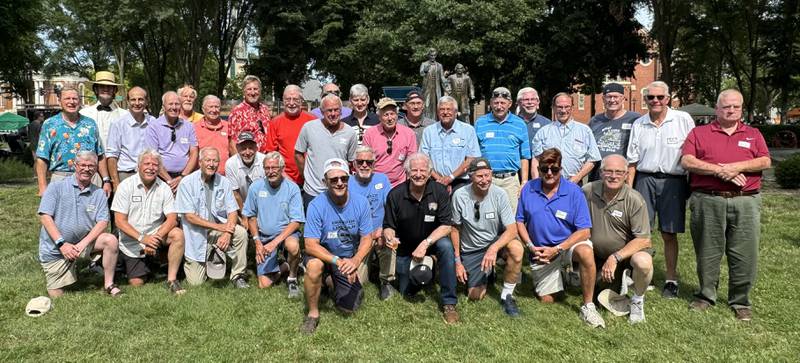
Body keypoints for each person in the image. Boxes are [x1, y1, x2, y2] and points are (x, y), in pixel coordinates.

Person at [681, 89, 770, 321]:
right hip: (708, 200)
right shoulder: (699, 133)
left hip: (745, 201)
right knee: (707, 251)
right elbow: (687, 160)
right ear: (717, 108)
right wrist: (721, 171)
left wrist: (737, 167)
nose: (731, 110)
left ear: (741, 109)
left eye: (736, 107)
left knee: (744, 252)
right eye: (726, 106)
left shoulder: (753, 133)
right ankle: (705, 296)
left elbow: (765, 160)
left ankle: (740, 301)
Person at [516, 148, 605, 328]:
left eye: (554, 169)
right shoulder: (528, 189)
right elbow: (519, 221)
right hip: (540, 251)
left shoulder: (573, 191)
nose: (549, 173)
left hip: (567, 246)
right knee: (547, 300)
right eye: (544, 169)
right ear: (539, 169)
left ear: (560, 168)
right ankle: (565, 276)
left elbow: (585, 231)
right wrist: (531, 246)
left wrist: (557, 249)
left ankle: (588, 305)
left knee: (586, 251)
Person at [626, 81, 695, 299]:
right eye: (651, 97)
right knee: (641, 231)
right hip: (644, 179)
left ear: (668, 98)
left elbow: (694, 153)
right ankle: (642, 275)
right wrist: (628, 190)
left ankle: (671, 279)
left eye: (660, 97)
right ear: (645, 99)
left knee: (669, 232)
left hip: (674, 181)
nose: (655, 101)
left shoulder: (683, 120)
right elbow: (632, 161)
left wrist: (691, 185)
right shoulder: (639, 123)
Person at [383, 153, 459, 324]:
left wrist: (425, 244)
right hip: (406, 249)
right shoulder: (395, 195)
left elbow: (447, 226)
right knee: (407, 291)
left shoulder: (439, 192)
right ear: (407, 173)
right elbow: (388, 226)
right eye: (414, 170)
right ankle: (427, 269)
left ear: (430, 172)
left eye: (423, 170)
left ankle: (449, 303)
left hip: (431, 243)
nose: (418, 174)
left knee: (446, 247)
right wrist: (389, 237)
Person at [300, 158, 374, 334]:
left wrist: (355, 261)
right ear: (324, 182)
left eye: (344, 178)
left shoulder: (361, 202)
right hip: (324, 256)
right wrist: (337, 261)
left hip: (347, 257)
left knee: (349, 308)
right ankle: (313, 314)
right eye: (334, 179)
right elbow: (310, 245)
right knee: (314, 266)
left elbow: (367, 239)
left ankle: (328, 281)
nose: (340, 183)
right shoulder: (316, 205)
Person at [37, 151, 121, 298]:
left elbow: (103, 222)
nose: (87, 169)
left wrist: (82, 244)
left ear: (96, 169)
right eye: (83, 165)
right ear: (75, 166)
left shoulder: (99, 193)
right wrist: (62, 244)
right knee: (57, 295)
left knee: (110, 240)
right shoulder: (56, 187)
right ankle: (74, 270)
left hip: (82, 244)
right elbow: (45, 217)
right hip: (57, 248)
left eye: (91, 166)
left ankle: (109, 284)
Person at [582, 154, 653, 324]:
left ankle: (637, 300)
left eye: (619, 172)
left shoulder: (634, 199)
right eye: (609, 171)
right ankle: (617, 283)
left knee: (643, 262)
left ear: (626, 175)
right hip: (597, 255)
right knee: (600, 295)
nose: (613, 176)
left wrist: (615, 257)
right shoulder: (587, 191)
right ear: (600, 173)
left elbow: (644, 240)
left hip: (625, 255)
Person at [451, 158, 524, 317]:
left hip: (494, 243)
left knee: (517, 249)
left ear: (491, 174)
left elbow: (512, 230)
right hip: (472, 249)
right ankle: (488, 273)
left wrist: (494, 248)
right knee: (474, 296)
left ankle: (507, 296)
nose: (485, 180)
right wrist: (457, 260)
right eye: (479, 176)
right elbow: (455, 229)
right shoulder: (459, 196)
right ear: (471, 176)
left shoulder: (500, 194)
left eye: (487, 175)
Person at [111, 150, 186, 294]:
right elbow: (119, 221)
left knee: (178, 234)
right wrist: (143, 238)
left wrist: (155, 238)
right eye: (147, 164)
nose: (151, 167)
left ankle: (172, 280)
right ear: (138, 166)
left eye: (155, 165)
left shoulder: (164, 188)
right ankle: (126, 265)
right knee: (136, 282)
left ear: (159, 169)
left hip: (155, 236)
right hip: (132, 240)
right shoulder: (125, 186)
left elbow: (172, 218)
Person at [174, 147, 249, 288]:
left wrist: (227, 232)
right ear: (200, 162)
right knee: (196, 282)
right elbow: (190, 217)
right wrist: (220, 227)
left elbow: (232, 211)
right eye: (208, 160)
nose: (211, 164)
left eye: (215, 161)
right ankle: (209, 259)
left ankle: (238, 275)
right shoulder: (186, 183)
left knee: (241, 233)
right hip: (196, 236)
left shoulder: (224, 182)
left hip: (219, 232)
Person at [243, 152, 304, 295]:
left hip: (287, 233)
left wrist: (274, 243)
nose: (271, 172)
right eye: (267, 168)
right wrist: (258, 242)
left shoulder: (292, 188)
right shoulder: (255, 188)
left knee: (293, 246)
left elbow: (296, 222)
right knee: (264, 284)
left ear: (282, 168)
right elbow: (251, 217)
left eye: (274, 167)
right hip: (264, 236)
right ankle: (285, 266)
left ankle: (292, 278)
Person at [35, 88, 110, 197]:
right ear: (59, 101)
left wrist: (106, 180)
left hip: (90, 179)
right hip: (61, 179)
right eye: (67, 98)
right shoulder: (49, 124)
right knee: (62, 213)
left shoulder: (90, 124)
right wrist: (42, 187)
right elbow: (42, 158)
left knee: (92, 213)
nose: (71, 102)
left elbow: (100, 155)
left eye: (75, 98)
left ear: (79, 101)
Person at [295, 93, 359, 208]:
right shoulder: (309, 128)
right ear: (321, 111)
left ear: (341, 111)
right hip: (313, 192)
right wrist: (305, 176)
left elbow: (351, 162)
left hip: (338, 191)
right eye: (329, 110)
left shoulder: (350, 133)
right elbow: (298, 153)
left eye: (336, 110)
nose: (333, 114)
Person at [347, 146, 394, 300]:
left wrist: (384, 228)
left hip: (379, 231)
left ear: (374, 164)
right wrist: (365, 235)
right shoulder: (347, 183)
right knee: (358, 281)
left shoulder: (382, 179)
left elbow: (391, 208)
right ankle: (367, 270)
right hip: (360, 237)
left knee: (389, 241)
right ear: (354, 164)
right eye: (360, 162)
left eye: (369, 162)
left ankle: (386, 281)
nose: (364, 165)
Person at [475, 87, 531, 213]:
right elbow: (474, 154)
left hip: (510, 181)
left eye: (502, 103)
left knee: (512, 218)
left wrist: (524, 181)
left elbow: (524, 156)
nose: (499, 106)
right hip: (487, 180)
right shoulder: (480, 123)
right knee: (487, 217)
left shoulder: (520, 124)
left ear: (509, 104)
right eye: (496, 103)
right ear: (490, 103)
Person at [531, 92, 601, 182]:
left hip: (574, 183)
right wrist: (536, 182)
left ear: (572, 107)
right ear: (553, 108)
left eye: (567, 106)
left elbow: (593, 159)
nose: (563, 111)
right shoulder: (543, 132)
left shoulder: (584, 131)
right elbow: (536, 159)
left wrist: (577, 178)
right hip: (547, 183)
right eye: (560, 107)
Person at [420, 95, 480, 192]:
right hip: (435, 181)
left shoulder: (468, 130)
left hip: (461, 182)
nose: (445, 112)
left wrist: (451, 177)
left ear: (456, 112)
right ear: (438, 112)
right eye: (442, 109)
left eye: (449, 109)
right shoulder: (429, 131)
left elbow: (471, 159)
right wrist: (440, 180)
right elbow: (424, 159)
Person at [145, 91, 199, 194]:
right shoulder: (153, 127)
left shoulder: (189, 126)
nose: (174, 107)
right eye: (170, 104)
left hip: (185, 177)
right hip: (161, 178)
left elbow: (194, 152)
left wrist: (182, 177)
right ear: (164, 106)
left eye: (177, 104)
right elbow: (153, 156)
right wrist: (170, 181)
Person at [265, 85, 317, 185]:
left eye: (296, 99)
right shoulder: (275, 123)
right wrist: (284, 176)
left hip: (311, 179)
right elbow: (271, 155)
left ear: (302, 101)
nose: (291, 103)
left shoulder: (313, 120)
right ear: (283, 101)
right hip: (285, 179)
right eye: (288, 99)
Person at [588, 83, 640, 181]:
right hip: (598, 175)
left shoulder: (635, 119)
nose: (612, 100)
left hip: (622, 176)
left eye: (616, 97)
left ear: (623, 98)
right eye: (609, 97)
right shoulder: (594, 121)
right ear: (603, 99)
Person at [107, 87, 155, 189]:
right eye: (133, 99)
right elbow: (112, 156)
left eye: (141, 99)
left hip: (149, 174)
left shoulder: (153, 122)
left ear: (146, 102)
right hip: (126, 174)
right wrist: (115, 183)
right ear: (128, 101)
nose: (137, 103)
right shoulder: (118, 124)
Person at [363, 97, 418, 187]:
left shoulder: (409, 134)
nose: (390, 118)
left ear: (397, 115)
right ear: (379, 117)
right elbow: (366, 162)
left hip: (400, 184)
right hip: (375, 183)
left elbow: (412, 162)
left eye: (392, 114)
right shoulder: (370, 134)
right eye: (386, 115)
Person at [79, 71, 128, 152]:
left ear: (114, 90)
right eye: (102, 86)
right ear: (96, 89)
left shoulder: (125, 115)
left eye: (109, 86)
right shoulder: (83, 114)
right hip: (92, 162)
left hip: (119, 162)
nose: (105, 89)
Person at [225, 132, 266, 227]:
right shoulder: (230, 164)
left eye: (251, 148)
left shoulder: (264, 160)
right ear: (237, 148)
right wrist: (245, 216)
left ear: (256, 148)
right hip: (240, 204)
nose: (247, 152)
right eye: (243, 148)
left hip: (262, 201)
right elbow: (235, 194)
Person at [228, 75, 272, 153]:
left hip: (265, 159)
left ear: (260, 91)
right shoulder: (237, 112)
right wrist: (239, 164)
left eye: (255, 89)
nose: (252, 93)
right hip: (247, 159)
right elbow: (232, 143)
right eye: (249, 89)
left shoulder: (265, 110)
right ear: (244, 92)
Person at [194, 95, 233, 175]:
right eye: (210, 107)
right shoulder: (194, 128)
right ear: (203, 109)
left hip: (225, 176)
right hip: (202, 176)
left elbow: (233, 150)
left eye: (217, 107)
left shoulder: (228, 126)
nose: (214, 110)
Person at [419, 48, 448, 120]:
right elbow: (421, 74)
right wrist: (425, 70)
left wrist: (445, 82)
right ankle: (426, 120)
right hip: (427, 88)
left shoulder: (439, 65)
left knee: (436, 106)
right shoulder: (424, 64)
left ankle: (435, 121)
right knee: (427, 105)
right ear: (429, 55)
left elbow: (442, 77)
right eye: (431, 55)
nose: (433, 57)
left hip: (436, 88)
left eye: (434, 55)